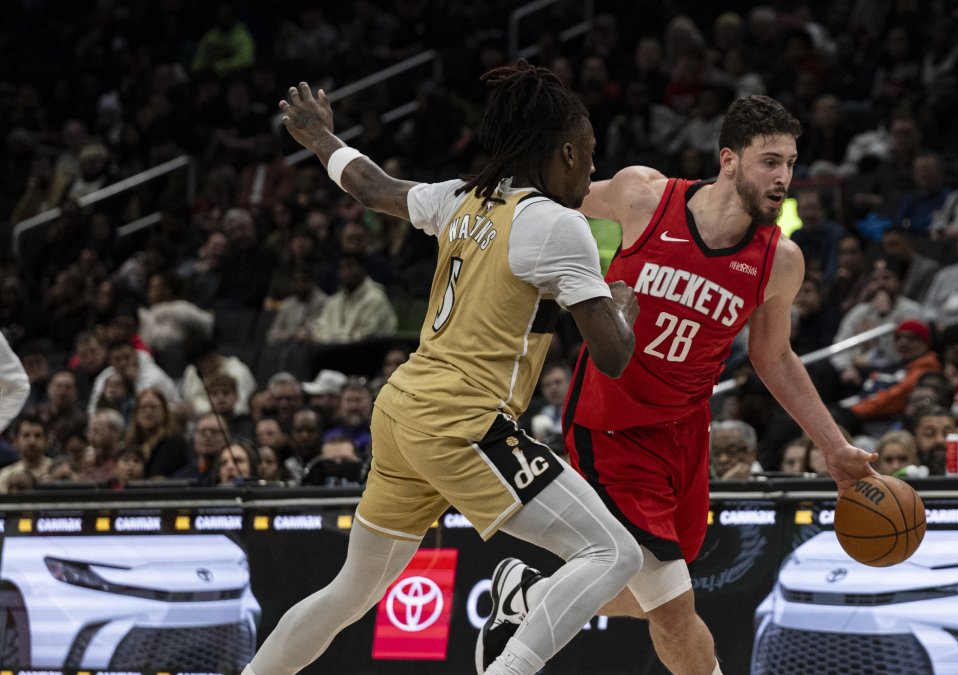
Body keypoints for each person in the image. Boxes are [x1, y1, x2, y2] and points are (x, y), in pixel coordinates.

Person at [247, 64, 643, 675]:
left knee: (353, 590)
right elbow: (614, 356)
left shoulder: (463, 198)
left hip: (403, 408)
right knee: (613, 553)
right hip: (462, 419)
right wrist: (623, 301)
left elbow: (372, 187)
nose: (593, 172)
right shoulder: (560, 226)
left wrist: (322, 139)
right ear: (566, 151)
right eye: (590, 157)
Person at [498, 94, 876, 675]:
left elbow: (774, 360)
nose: (784, 178)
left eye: (791, 163)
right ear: (729, 159)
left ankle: (525, 593)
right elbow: (550, 196)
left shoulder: (780, 261)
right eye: (770, 162)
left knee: (645, 589)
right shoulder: (644, 197)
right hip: (611, 425)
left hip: (684, 434)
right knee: (675, 608)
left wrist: (835, 447)